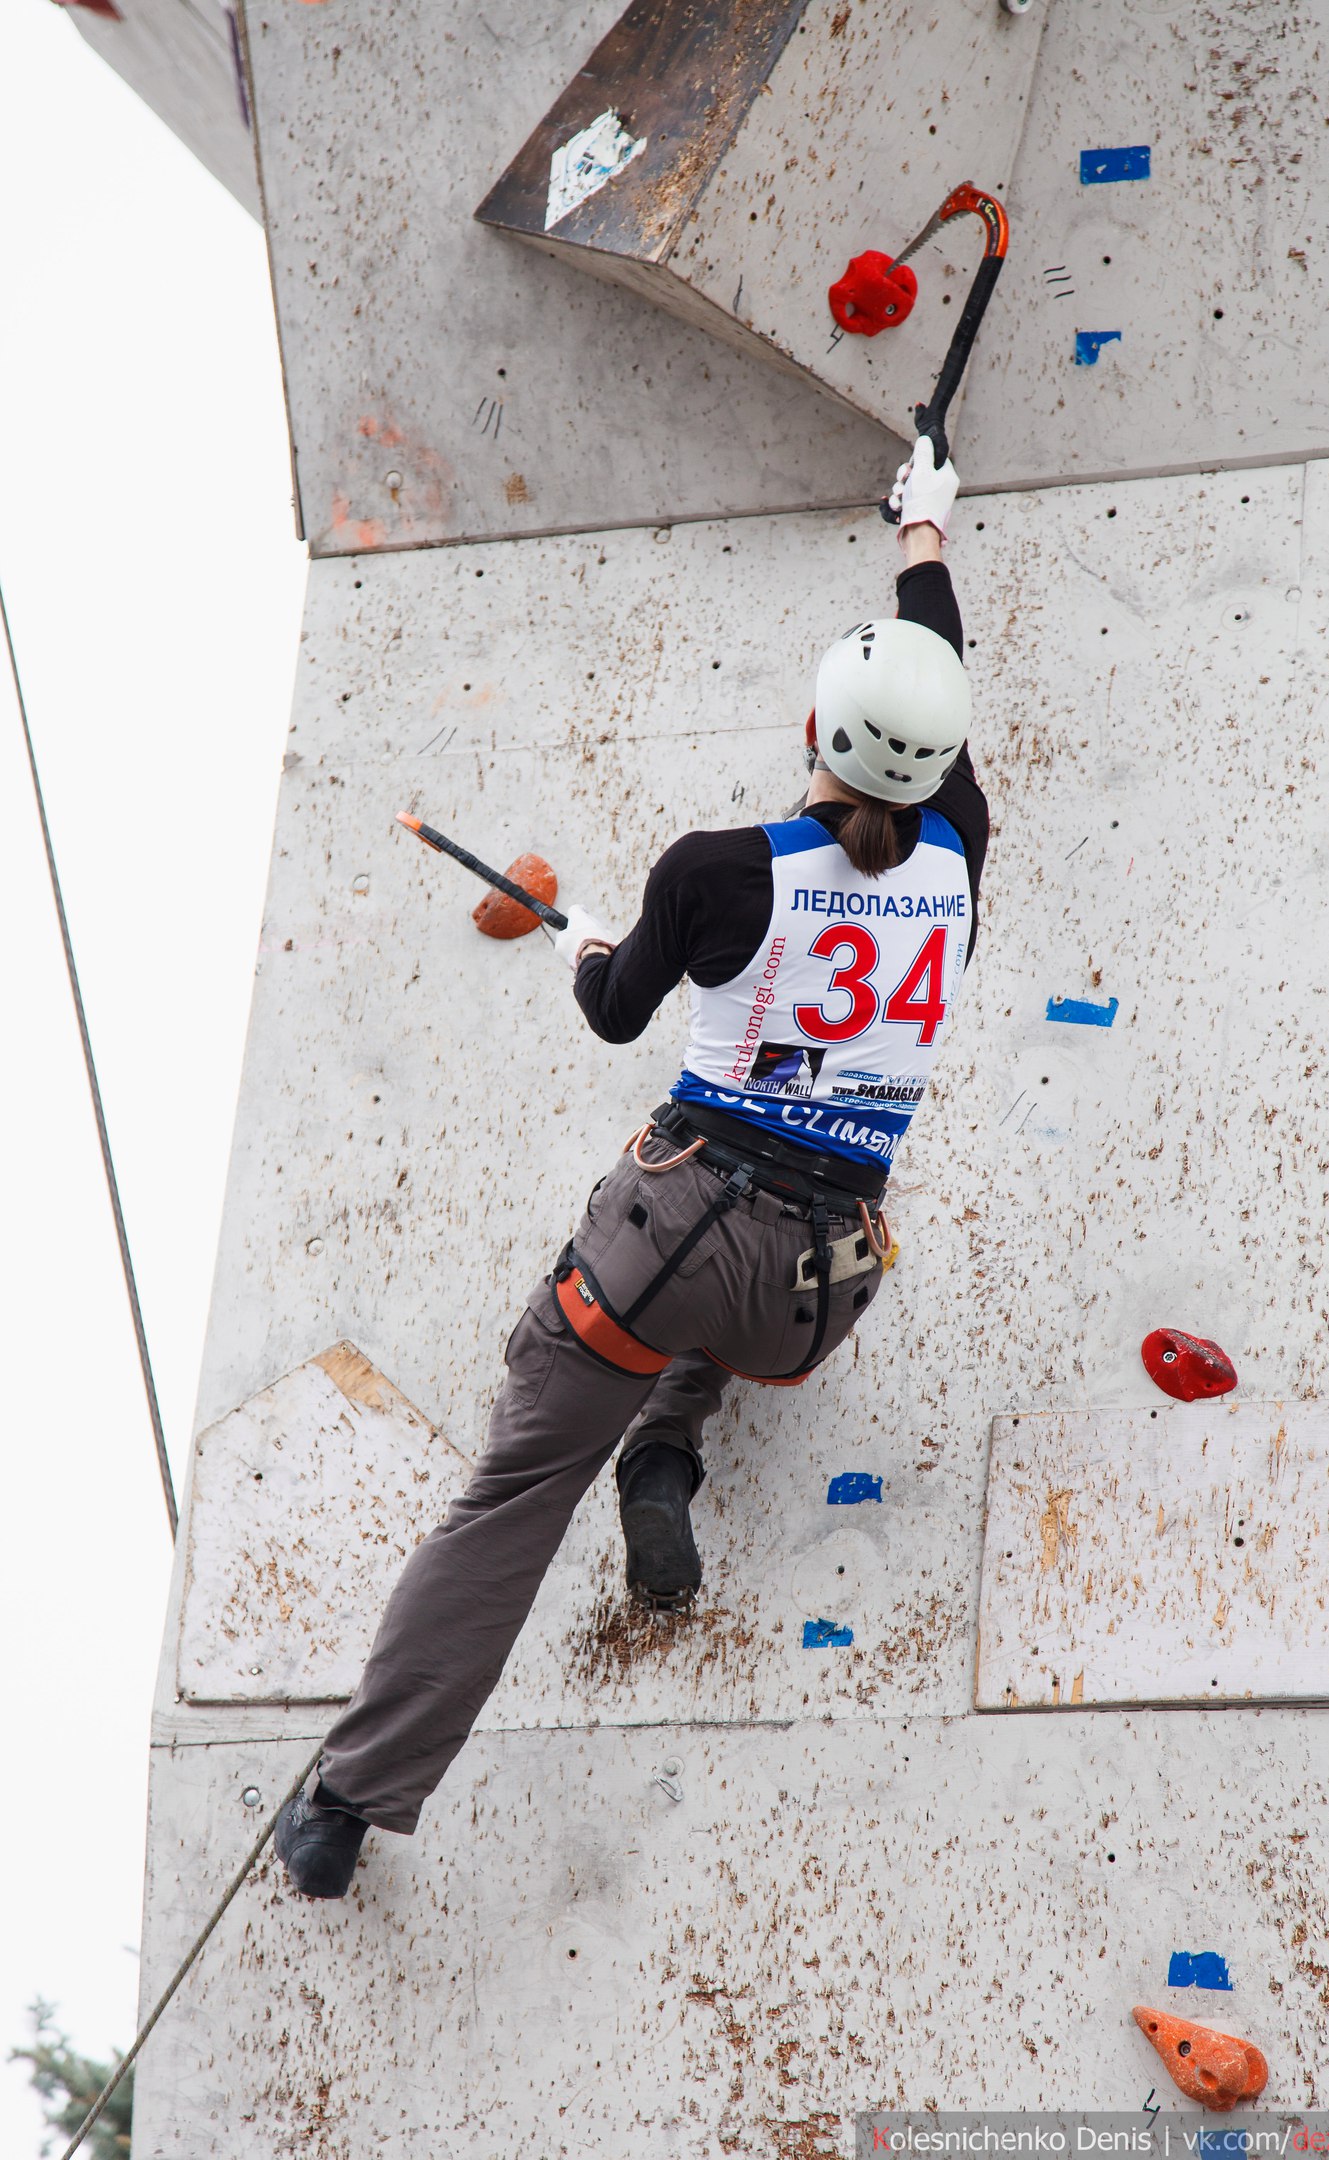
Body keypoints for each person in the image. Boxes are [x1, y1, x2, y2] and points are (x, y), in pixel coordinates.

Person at [275, 437, 989, 1897]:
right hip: (817, 1288)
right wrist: (926, 529)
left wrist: (597, 950)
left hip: (670, 1245)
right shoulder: (963, 849)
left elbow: (612, 1013)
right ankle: (669, 1446)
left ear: (811, 726)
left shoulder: (718, 869)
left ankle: (351, 1799)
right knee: (750, 1264)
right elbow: (934, 684)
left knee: (514, 1494)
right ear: (940, 757)